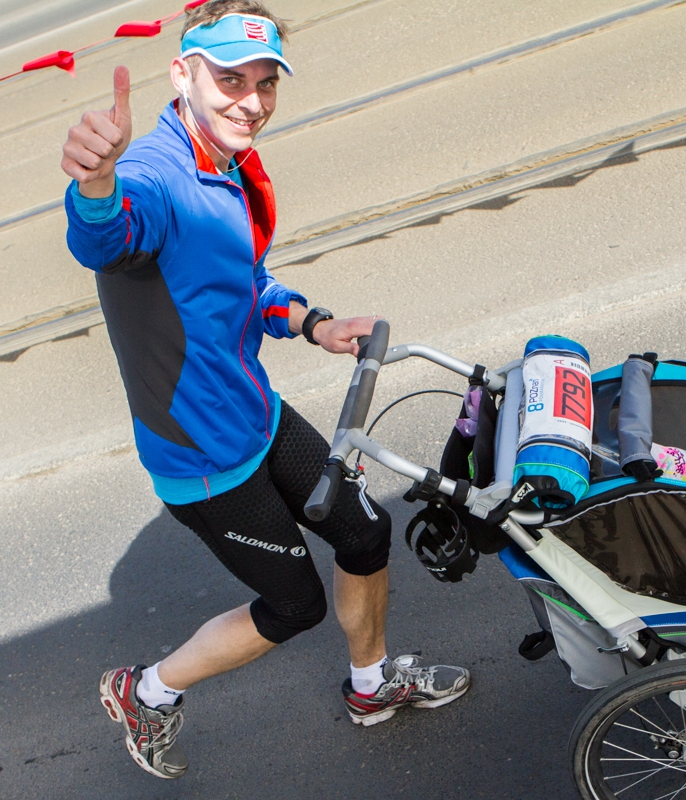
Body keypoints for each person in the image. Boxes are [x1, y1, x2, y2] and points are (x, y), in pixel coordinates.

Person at [60, 0, 469, 780]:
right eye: (228, 79)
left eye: (264, 81)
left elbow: (242, 280)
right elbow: (107, 235)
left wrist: (310, 322)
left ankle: (373, 684)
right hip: (206, 460)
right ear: (181, 75)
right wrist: (96, 182)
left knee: (365, 532)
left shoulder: (230, 164)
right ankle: (146, 691)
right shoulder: (156, 175)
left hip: (257, 413)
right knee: (295, 607)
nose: (250, 100)